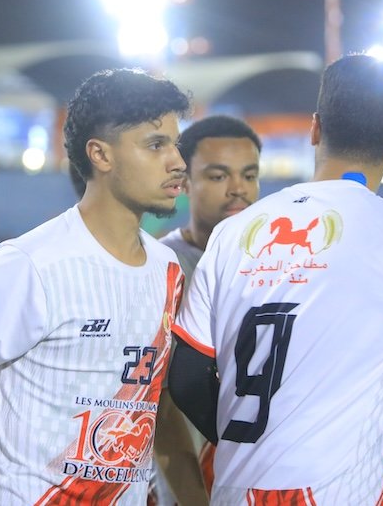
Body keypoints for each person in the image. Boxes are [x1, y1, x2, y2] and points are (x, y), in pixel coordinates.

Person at [169, 54, 383, 505]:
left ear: (315, 129)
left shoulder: (233, 232)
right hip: (328, 491)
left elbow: (186, 379)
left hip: (232, 488)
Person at [0, 68, 191, 505]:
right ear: (101, 154)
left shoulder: (167, 269)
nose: (178, 162)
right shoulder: (31, 263)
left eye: (175, 144)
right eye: (156, 145)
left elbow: (156, 408)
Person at [153, 115, 262, 505]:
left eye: (249, 175)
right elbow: (160, 408)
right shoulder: (160, 267)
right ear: (184, 182)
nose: (238, 189)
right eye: (218, 176)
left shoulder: (278, 268)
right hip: (188, 487)